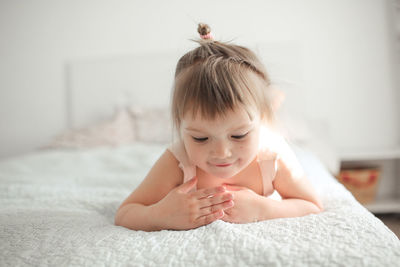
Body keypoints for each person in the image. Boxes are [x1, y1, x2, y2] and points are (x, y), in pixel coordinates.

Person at [115, 24, 323, 231]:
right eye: (200, 138)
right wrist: (159, 215)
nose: (222, 153)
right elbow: (126, 213)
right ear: (181, 126)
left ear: (259, 123)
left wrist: (265, 209)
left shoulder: (272, 157)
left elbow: (311, 205)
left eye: (239, 135)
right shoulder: (179, 161)